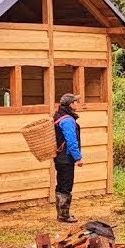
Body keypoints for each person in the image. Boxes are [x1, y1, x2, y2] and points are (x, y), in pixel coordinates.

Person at [52, 93, 85, 222]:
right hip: (66, 158)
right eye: (76, 102)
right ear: (71, 104)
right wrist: (78, 157)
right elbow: (71, 141)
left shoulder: (59, 116)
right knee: (66, 185)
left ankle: (61, 214)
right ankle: (64, 215)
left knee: (61, 184)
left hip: (59, 157)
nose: (78, 104)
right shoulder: (67, 120)